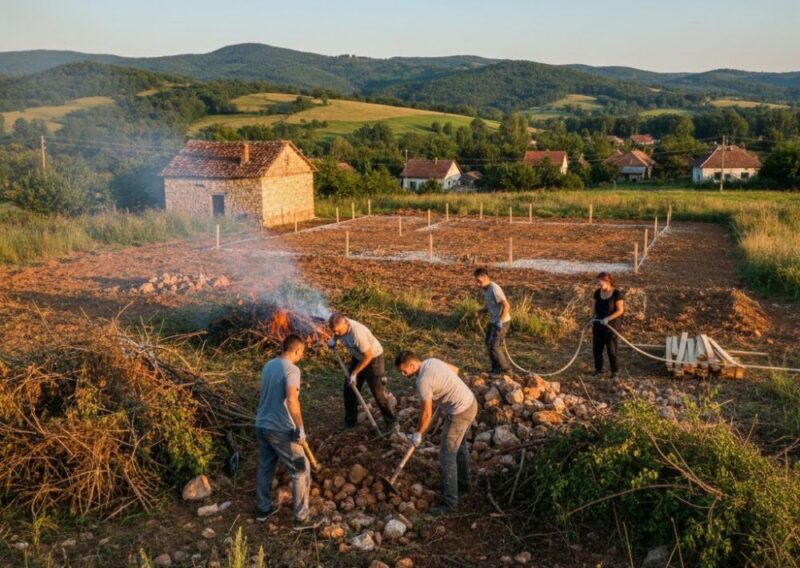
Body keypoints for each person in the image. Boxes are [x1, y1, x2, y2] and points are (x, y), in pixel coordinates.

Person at [395, 350, 478, 515]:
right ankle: (463, 484)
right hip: (470, 402)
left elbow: (426, 414)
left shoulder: (422, 382)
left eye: (404, 371)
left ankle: (450, 504)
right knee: (459, 447)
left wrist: (418, 434)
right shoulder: (432, 361)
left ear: (412, 365)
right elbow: (455, 370)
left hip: (460, 412)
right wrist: (444, 392)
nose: (403, 375)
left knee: (447, 455)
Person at [254, 334, 315, 529]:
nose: (301, 356)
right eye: (302, 352)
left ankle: (263, 509)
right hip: (280, 429)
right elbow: (291, 399)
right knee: (301, 469)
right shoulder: (292, 370)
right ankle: (301, 518)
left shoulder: (269, 365)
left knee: (265, 467)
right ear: (297, 350)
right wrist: (300, 427)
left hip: (262, 424)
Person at [327, 312, 397, 432]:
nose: (336, 333)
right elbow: (337, 333)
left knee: (378, 392)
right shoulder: (340, 328)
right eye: (334, 331)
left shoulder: (357, 334)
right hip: (358, 356)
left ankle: (392, 422)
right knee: (349, 390)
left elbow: (368, 356)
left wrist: (354, 373)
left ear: (346, 323)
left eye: (338, 331)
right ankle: (350, 422)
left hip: (373, 358)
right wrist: (333, 340)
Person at [474, 267, 512, 375]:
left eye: (479, 281)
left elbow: (506, 306)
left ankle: (507, 370)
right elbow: (490, 306)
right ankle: (495, 369)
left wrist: (500, 322)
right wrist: (480, 311)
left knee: (495, 346)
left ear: (486, 278)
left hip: (502, 322)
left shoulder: (494, 289)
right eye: (476, 281)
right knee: (488, 343)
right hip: (493, 321)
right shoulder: (486, 290)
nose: (477, 284)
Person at [592, 272, 625, 379]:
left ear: (608, 281)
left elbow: (620, 310)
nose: (599, 285)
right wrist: (592, 317)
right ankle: (599, 370)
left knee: (611, 349)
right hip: (598, 324)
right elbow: (593, 307)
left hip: (612, 326)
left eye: (601, 283)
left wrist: (608, 318)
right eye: (598, 283)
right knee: (597, 349)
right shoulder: (597, 293)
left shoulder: (617, 294)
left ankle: (614, 372)